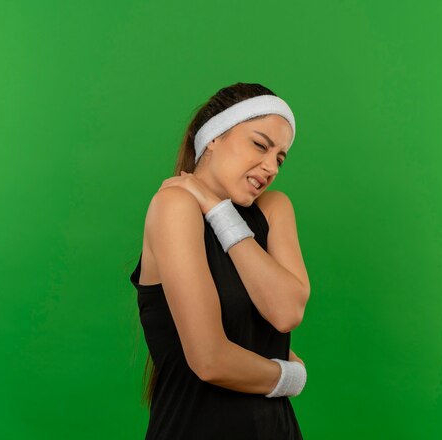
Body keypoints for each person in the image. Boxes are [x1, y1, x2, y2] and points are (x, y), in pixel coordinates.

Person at [130, 82, 310, 439]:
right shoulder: (173, 207)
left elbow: (287, 311)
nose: (271, 166)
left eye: (280, 157)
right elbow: (210, 360)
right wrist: (292, 377)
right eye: (260, 144)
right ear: (213, 137)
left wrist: (217, 209)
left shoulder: (274, 209)